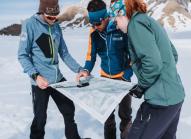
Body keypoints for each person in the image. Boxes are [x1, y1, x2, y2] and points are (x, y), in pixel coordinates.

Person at [18, 0, 89, 139]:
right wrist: (36, 76)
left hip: (57, 79)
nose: (53, 19)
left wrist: (79, 69)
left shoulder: (56, 26)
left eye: (55, 16)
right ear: (42, 12)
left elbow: (64, 53)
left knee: (68, 109)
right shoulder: (30, 25)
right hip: (40, 82)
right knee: (40, 119)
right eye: (50, 17)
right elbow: (22, 55)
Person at [115, 0, 185, 139]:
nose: (116, 25)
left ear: (122, 13)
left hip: (160, 102)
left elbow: (153, 64)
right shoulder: (149, 21)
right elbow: (173, 55)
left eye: (115, 19)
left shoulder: (136, 25)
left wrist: (142, 86)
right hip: (175, 97)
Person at [77, 0, 133, 139]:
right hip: (105, 79)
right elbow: (91, 57)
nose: (95, 27)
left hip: (123, 79)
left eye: (98, 23)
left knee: (125, 116)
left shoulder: (120, 27)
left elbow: (133, 55)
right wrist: (85, 70)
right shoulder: (93, 33)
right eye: (92, 23)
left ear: (106, 17)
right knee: (107, 117)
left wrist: (127, 74)